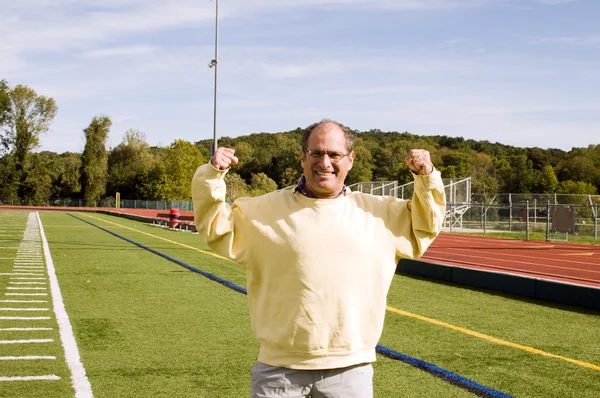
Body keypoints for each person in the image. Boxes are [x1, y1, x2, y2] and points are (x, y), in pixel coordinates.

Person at [192, 119, 446, 397]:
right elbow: (216, 226)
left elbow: (425, 225)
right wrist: (211, 175)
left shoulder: (381, 213)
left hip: (351, 368)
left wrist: (427, 177)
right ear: (302, 157)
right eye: (317, 153)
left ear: (350, 160)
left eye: (334, 154)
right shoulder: (262, 210)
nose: (325, 162)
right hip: (278, 370)